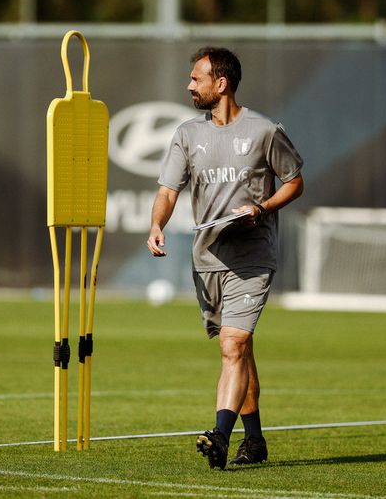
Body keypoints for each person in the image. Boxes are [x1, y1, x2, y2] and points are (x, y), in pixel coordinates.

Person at [146, 47, 304, 469]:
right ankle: (254, 442)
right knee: (240, 351)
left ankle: (219, 434)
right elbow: (167, 192)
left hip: (252, 257)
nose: (189, 85)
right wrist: (157, 224)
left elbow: (294, 181)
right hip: (208, 259)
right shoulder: (187, 134)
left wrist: (262, 208)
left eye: (196, 78)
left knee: (234, 345)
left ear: (222, 84)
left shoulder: (264, 131)